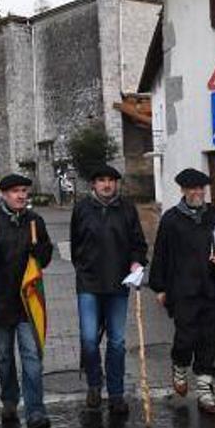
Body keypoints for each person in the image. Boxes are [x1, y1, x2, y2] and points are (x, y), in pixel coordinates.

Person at [0, 173, 54, 428]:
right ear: (4, 194)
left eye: (24, 191)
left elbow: (46, 254)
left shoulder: (34, 222)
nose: (21, 195)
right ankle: (9, 399)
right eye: (15, 191)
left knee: (31, 356)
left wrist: (42, 254)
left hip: (27, 302)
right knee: (4, 357)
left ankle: (36, 410)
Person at [69, 163, 147, 415]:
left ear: (116, 184)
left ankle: (115, 392)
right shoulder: (82, 209)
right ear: (93, 184)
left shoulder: (126, 209)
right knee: (89, 340)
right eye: (101, 180)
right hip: (89, 284)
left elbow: (138, 243)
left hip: (118, 284)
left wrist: (136, 261)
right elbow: (75, 246)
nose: (106, 184)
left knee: (117, 342)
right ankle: (94, 383)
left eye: (111, 180)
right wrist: (83, 268)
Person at [148, 168, 215, 416]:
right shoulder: (171, 219)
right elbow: (160, 253)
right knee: (186, 337)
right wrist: (159, 287)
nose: (197, 192)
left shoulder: (212, 214)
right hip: (182, 289)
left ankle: (205, 391)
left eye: (201, 188)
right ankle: (180, 366)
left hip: (210, 287)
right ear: (183, 191)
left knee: (208, 339)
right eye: (192, 188)